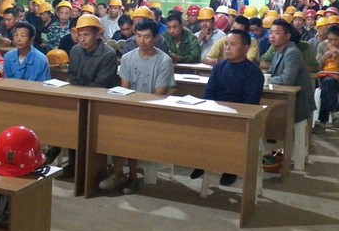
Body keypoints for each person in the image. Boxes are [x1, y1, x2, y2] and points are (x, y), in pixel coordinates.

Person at [99, 20, 174, 195]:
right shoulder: (128, 58)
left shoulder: (164, 61)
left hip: (153, 112)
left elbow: (158, 95)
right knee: (116, 127)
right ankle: (127, 175)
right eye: (138, 36)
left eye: (147, 37)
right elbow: (125, 91)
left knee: (130, 129)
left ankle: (119, 173)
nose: (142, 41)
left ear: (155, 38)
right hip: (130, 109)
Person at [191, 29, 264, 186]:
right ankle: (202, 161)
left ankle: (231, 168)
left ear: (245, 48)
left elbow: (250, 103)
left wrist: (230, 114)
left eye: (233, 44)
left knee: (231, 131)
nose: (227, 48)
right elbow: (209, 94)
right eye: (226, 44)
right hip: (217, 112)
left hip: (240, 117)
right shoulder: (219, 67)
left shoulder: (254, 72)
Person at [56, 14, 118, 178]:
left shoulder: (108, 54)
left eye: (86, 35)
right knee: (67, 121)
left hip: (99, 104)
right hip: (78, 99)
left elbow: (101, 84)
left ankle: (92, 170)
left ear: (97, 34)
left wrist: (80, 90)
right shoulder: (75, 50)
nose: (82, 39)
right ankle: (72, 163)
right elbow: (72, 76)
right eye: (79, 35)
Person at [265, 19, 315, 127]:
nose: (272, 36)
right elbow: (270, 72)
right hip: (285, 97)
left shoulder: (292, 52)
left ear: (287, 36)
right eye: (270, 33)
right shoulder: (276, 51)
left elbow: (287, 79)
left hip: (298, 100)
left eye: (277, 33)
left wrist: (265, 80)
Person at [313, 24, 339, 134]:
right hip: (324, 76)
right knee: (328, 83)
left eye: (336, 40)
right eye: (330, 40)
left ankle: (322, 123)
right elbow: (316, 67)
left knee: (327, 87)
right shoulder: (322, 46)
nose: (333, 42)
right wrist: (324, 57)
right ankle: (334, 112)